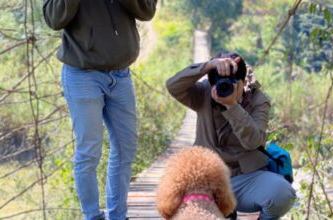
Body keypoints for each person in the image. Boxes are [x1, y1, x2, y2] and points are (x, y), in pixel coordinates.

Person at [43, 1, 157, 220]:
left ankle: (117, 216)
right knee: (89, 151)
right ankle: (92, 216)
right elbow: (54, 19)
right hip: (82, 74)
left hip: (121, 74)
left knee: (126, 147)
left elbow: (147, 11)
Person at [166, 52, 296, 219]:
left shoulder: (258, 100)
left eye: (231, 83)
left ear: (243, 82)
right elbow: (173, 86)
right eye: (219, 83)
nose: (223, 88)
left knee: (283, 194)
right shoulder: (204, 92)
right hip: (208, 180)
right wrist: (208, 65)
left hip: (245, 178)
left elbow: (253, 142)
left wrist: (232, 106)